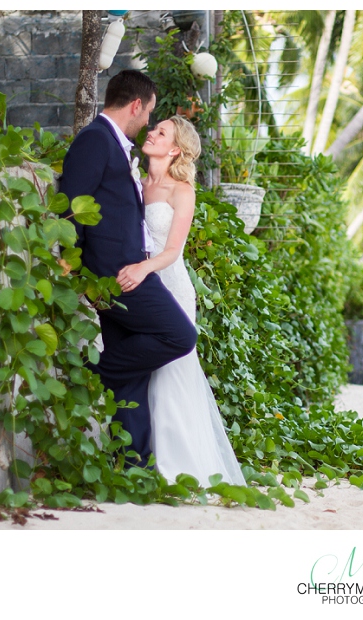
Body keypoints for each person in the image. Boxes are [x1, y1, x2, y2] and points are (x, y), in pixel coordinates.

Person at [58, 70, 197, 469]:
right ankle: (93, 374)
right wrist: (73, 263)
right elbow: (72, 205)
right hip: (117, 275)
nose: (149, 124)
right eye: (150, 113)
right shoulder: (96, 140)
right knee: (179, 335)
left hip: (128, 271)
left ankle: (134, 465)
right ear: (136, 105)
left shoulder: (120, 149)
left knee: (132, 374)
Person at [115, 115, 246, 486]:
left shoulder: (181, 190)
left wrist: (142, 268)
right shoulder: (136, 182)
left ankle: (177, 468)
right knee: (142, 371)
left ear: (174, 149)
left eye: (161, 133)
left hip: (169, 284)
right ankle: (137, 457)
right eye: (153, 128)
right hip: (136, 286)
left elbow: (173, 250)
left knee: (171, 373)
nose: (151, 133)